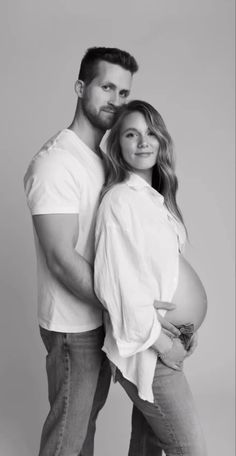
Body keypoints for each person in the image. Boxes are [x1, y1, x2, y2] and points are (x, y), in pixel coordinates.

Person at [24, 47, 182, 456]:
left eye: (124, 92)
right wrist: (126, 309)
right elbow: (61, 258)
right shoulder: (56, 162)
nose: (116, 100)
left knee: (84, 434)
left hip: (104, 321)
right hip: (73, 327)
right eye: (106, 86)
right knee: (67, 440)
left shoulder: (104, 159)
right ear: (80, 88)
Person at [94, 100, 208, 455]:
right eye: (131, 134)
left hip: (165, 340)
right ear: (118, 145)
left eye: (150, 133)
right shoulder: (119, 200)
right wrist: (164, 344)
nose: (143, 142)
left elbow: (160, 274)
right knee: (189, 449)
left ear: (161, 141)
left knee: (146, 447)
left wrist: (186, 331)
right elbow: (117, 287)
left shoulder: (156, 200)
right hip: (148, 347)